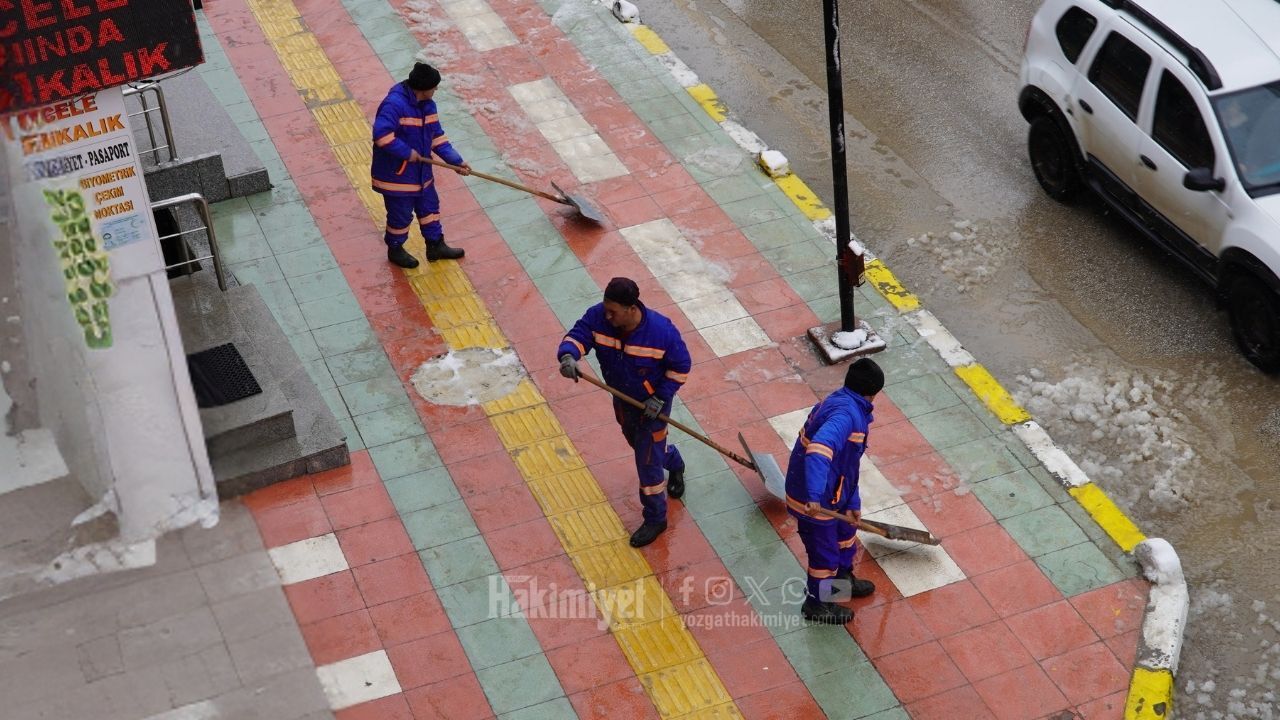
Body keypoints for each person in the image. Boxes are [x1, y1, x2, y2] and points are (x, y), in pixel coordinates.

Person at [557, 277, 691, 548]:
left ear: (632, 308)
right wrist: (568, 355)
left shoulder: (661, 332)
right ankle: (674, 461)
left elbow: (681, 367)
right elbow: (579, 335)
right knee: (640, 446)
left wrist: (659, 397)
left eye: (613, 312)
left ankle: (656, 518)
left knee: (647, 462)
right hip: (622, 400)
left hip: (652, 407)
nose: (607, 316)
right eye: (606, 309)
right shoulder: (598, 317)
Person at [785, 357, 884, 625]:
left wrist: (852, 500)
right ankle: (817, 604)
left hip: (834, 493)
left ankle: (841, 583)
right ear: (873, 393)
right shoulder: (846, 416)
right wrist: (815, 496)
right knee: (824, 554)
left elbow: (848, 464)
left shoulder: (846, 403)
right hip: (815, 499)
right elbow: (818, 451)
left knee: (845, 535)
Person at [371, 62, 470, 269]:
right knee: (400, 216)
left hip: (422, 175)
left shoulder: (428, 105)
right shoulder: (394, 105)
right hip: (397, 176)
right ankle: (395, 249)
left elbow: (437, 137)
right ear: (423, 88)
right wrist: (407, 153)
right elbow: (381, 135)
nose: (436, 89)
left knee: (430, 209)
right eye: (434, 87)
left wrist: (456, 161)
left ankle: (435, 246)